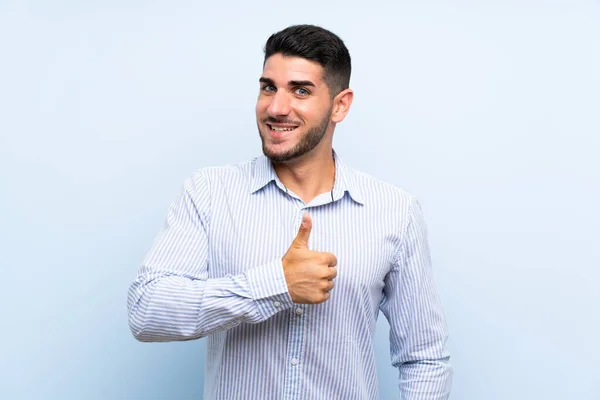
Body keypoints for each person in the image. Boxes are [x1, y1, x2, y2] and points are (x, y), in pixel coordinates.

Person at [127, 24, 452, 399]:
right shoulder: (209, 193)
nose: (276, 108)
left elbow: (424, 358)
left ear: (340, 105)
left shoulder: (395, 212)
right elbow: (146, 311)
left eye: (300, 90)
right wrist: (275, 284)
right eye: (268, 87)